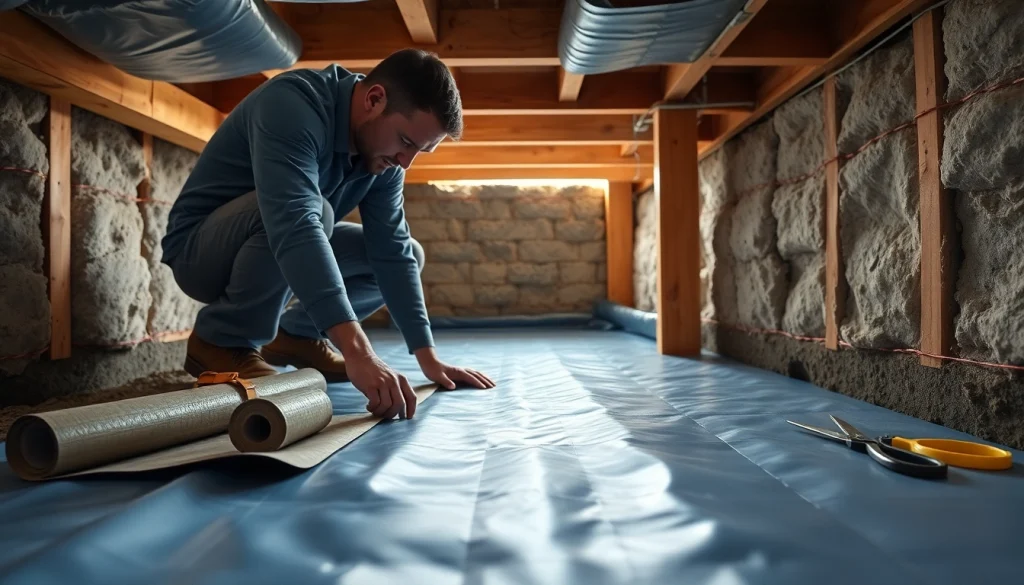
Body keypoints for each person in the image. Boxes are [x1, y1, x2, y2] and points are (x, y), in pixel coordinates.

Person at [160, 49, 495, 421]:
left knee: (408, 255)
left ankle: (297, 337)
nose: (406, 162)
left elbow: (391, 251)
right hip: (201, 253)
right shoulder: (292, 104)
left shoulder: (384, 160)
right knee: (315, 212)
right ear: (374, 99)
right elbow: (295, 222)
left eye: (421, 151)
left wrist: (427, 357)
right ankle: (222, 340)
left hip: (282, 234)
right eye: (405, 141)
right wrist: (358, 352)